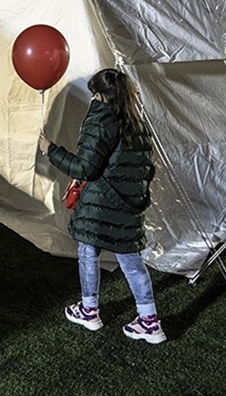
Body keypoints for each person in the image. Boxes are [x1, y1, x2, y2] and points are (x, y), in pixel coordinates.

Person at [38, 68, 164, 344]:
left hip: (100, 204)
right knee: (132, 262)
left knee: (88, 252)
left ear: (98, 94)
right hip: (128, 204)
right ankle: (149, 321)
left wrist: (51, 150)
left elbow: (86, 167)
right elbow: (142, 169)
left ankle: (89, 310)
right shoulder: (136, 122)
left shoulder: (100, 119)